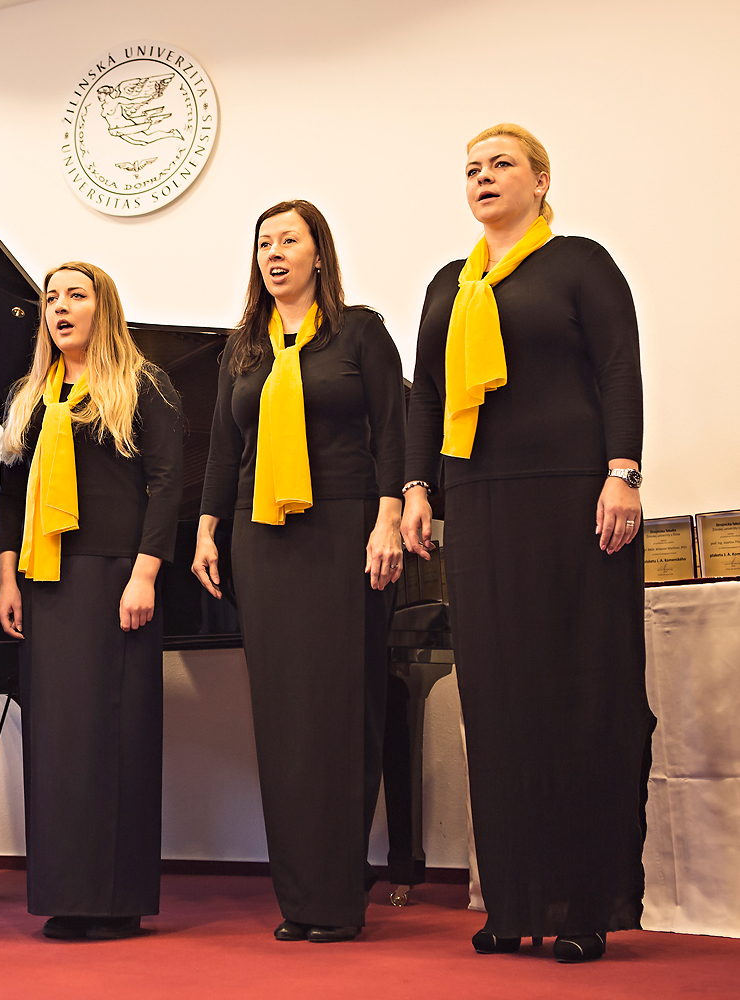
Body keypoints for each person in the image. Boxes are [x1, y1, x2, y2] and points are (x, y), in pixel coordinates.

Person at [401, 124, 651, 964]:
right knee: (498, 699)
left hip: (573, 496)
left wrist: (623, 471)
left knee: (577, 693)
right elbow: (426, 396)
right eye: (472, 168)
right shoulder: (449, 284)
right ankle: (512, 902)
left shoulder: (580, 263)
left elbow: (618, 367)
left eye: (501, 164)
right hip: (478, 501)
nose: (483, 177)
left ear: (541, 181)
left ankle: (582, 906)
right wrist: (416, 488)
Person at [193, 201, 406, 943]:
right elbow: (223, 449)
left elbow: (394, 431)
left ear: (319, 253)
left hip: (345, 531)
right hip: (262, 538)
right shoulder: (243, 348)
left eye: (289, 240)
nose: (274, 253)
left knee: (340, 710)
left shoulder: (360, 333)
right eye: (264, 243)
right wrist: (207, 529)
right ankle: (300, 898)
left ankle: (340, 899)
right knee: (282, 716)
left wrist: (388, 518)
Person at [0, 262, 183, 941]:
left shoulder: (143, 384)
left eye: (77, 295)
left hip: (116, 580)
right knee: (58, 742)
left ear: (105, 309)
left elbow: (167, 484)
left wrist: (145, 575)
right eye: (52, 298)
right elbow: (9, 496)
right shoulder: (30, 395)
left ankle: (115, 899)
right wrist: (8, 580)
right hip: (46, 582)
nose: (61, 307)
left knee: (115, 737)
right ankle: (66, 894)